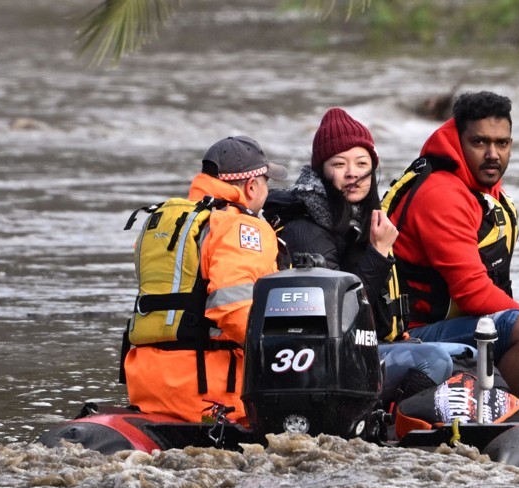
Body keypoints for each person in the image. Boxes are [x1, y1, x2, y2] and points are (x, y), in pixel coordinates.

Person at [263, 108, 458, 404]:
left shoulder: (359, 216)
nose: (352, 172)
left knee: (467, 352)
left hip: (372, 345)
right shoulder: (305, 229)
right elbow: (337, 316)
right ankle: (385, 425)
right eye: (339, 164)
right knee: (434, 360)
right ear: (321, 171)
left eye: (361, 163)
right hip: (325, 364)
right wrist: (379, 252)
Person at [381, 91, 519, 400]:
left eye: (502, 143)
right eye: (480, 142)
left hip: (461, 323)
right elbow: (472, 294)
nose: (493, 154)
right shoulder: (442, 194)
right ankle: (497, 413)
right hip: (416, 336)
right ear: (458, 140)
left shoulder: (483, 188)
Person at [124, 136, 287, 422]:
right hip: (209, 391)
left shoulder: (165, 220)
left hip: (146, 386)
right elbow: (234, 311)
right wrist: (285, 355)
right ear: (251, 186)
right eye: (266, 182)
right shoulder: (240, 227)